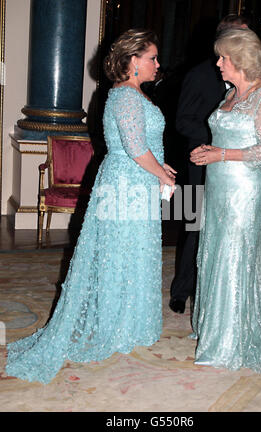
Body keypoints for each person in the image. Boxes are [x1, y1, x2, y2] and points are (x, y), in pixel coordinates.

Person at [5, 29, 176, 384]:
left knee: (129, 251)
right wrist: (162, 174)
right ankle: (116, 324)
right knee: (120, 251)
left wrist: (161, 169)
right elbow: (134, 148)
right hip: (127, 185)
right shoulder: (126, 97)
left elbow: (143, 145)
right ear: (132, 62)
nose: (157, 64)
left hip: (135, 182)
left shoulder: (130, 95)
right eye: (152, 58)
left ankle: (127, 319)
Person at [189, 28, 261, 373]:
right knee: (215, 247)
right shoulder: (230, 94)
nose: (218, 63)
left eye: (223, 58)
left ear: (241, 60)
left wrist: (222, 155)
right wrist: (209, 151)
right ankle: (212, 325)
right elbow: (223, 135)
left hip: (244, 186)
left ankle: (228, 339)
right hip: (219, 183)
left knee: (233, 252)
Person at [169, 14, 250, 314]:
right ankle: (181, 291)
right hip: (201, 162)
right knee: (195, 226)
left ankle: (216, 293)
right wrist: (216, 138)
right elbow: (182, 122)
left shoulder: (249, 81)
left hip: (235, 168)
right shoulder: (200, 74)